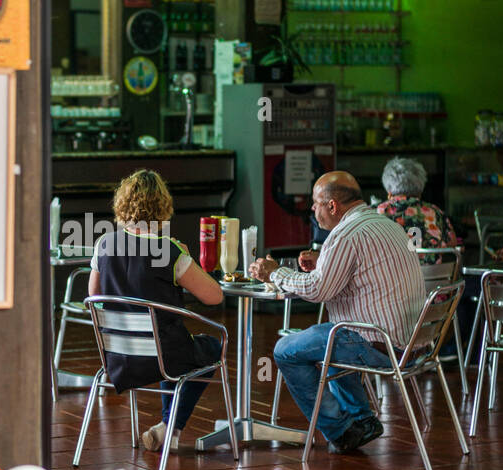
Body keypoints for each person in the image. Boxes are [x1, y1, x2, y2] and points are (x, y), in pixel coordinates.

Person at [250, 171, 426, 453]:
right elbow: (362, 272)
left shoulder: (345, 234)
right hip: (416, 342)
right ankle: (362, 420)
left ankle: (341, 430)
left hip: (380, 345)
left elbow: (319, 291)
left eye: (315, 203)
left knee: (287, 350)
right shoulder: (386, 224)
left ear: (332, 206)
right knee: (330, 334)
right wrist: (324, 262)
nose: (312, 209)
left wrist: (275, 273)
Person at [88, 169, 223, 452]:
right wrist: (186, 259)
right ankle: (169, 427)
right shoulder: (169, 250)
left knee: (172, 347)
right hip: (163, 356)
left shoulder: (104, 244)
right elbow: (214, 297)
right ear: (163, 207)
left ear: (122, 205)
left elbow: (94, 295)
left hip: (117, 356)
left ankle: (168, 432)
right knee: (209, 348)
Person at [376, 156, 458, 253]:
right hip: (432, 268)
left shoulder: (378, 212)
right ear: (420, 191)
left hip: (392, 267)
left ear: (389, 192)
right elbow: (452, 245)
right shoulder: (435, 212)